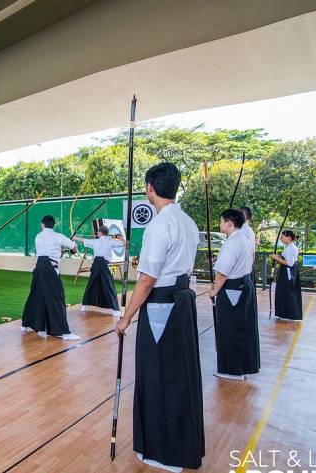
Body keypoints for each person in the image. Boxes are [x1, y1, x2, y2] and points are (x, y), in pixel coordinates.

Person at [116, 162, 204, 472]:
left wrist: (126, 317)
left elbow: (146, 279)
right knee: (178, 374)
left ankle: (163, 452)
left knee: (157, 376)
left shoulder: (159, 225)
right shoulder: (188, 222)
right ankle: (178, 445)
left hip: (162, 306)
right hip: (181, 301)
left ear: (150, 189)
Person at [208, 209, 260, 381]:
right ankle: (242, 366)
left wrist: (214, 290)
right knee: (240, 327)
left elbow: (222, 273)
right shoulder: (242, 239)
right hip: (243, 285)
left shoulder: (232, 243)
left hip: (232, 289)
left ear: (229, 223)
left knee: (230, 328)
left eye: (221, 221)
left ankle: (232, 370)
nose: (220, 224)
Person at [21, 215, 81, 340]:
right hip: (50, 269)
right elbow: (74, 248)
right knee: (57, 298)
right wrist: (71, 251)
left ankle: (25, 324)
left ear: (42, 225)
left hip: (39, 268)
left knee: (35, 295)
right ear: (54, 225)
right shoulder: (58, 236)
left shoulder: (38, 236)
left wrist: (59, 251)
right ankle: (63, 332)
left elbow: (46, 251)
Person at [73, 226, 126, 317]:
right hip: (104, 264)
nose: (97, 233)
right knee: (109, 286)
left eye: (98, 232)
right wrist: (120, 237)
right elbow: (125, 244)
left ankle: (84, 306)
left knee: (91, 283)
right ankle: (116, 311)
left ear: (100, 233)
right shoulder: (110, 241)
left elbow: (82, 240)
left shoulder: (95, 241)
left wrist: (74, 237)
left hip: (97, 264)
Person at [271, 230, 302, 321]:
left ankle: (290, 314)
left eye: (282, 236)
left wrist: (276, 258)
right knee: (283, 291)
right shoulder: (288, 247)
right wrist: (279, 257)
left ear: (288, 238)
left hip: (288, 271)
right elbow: (286, 259)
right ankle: (283, 313)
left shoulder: (291, 248)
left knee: (288, 292)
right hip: (285, 271)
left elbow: (289, 263)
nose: (280, 238)